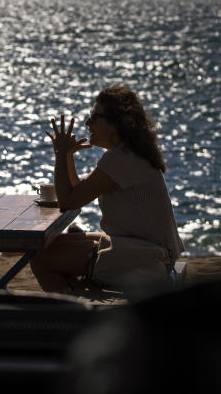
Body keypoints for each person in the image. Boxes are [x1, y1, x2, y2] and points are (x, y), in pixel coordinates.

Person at [31, 85, 183, 293]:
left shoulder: (121, 159)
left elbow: (68, 201)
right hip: (146, 249)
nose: (87, 123)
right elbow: (79, 189)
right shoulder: (127, 154)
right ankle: (74, 301)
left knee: (42, 259)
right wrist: (67, 156)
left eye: (94, 117)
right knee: (57, 244)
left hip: (148, 258)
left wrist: (59, 153)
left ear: (115, 124)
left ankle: (71, 316)